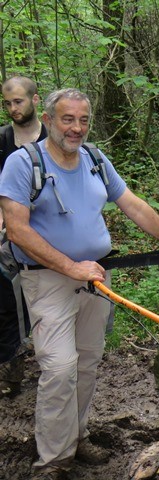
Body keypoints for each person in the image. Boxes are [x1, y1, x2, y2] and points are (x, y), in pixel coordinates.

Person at [0, 88, 159, 480]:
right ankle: (52, 461)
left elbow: (132, 204)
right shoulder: (22, 163)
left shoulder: (95, 159)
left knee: (87, 363)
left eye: (83, 120)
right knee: (60, 368)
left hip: (97, 280)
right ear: (47, 120)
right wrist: (71, 266)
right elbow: (16, 229)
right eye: (68, 119)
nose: (77, 128)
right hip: (48, 280)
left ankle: (75, 437)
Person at [0, 76, 48, 398]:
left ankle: (51, 362)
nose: (13, 108)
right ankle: (10, 370)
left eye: (18, 101)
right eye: (7, 103)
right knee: (6, 301)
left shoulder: (53, 136)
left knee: (43, 301)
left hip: (47, 231)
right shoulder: (2, 139)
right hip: (7, 230)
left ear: (35, 99)